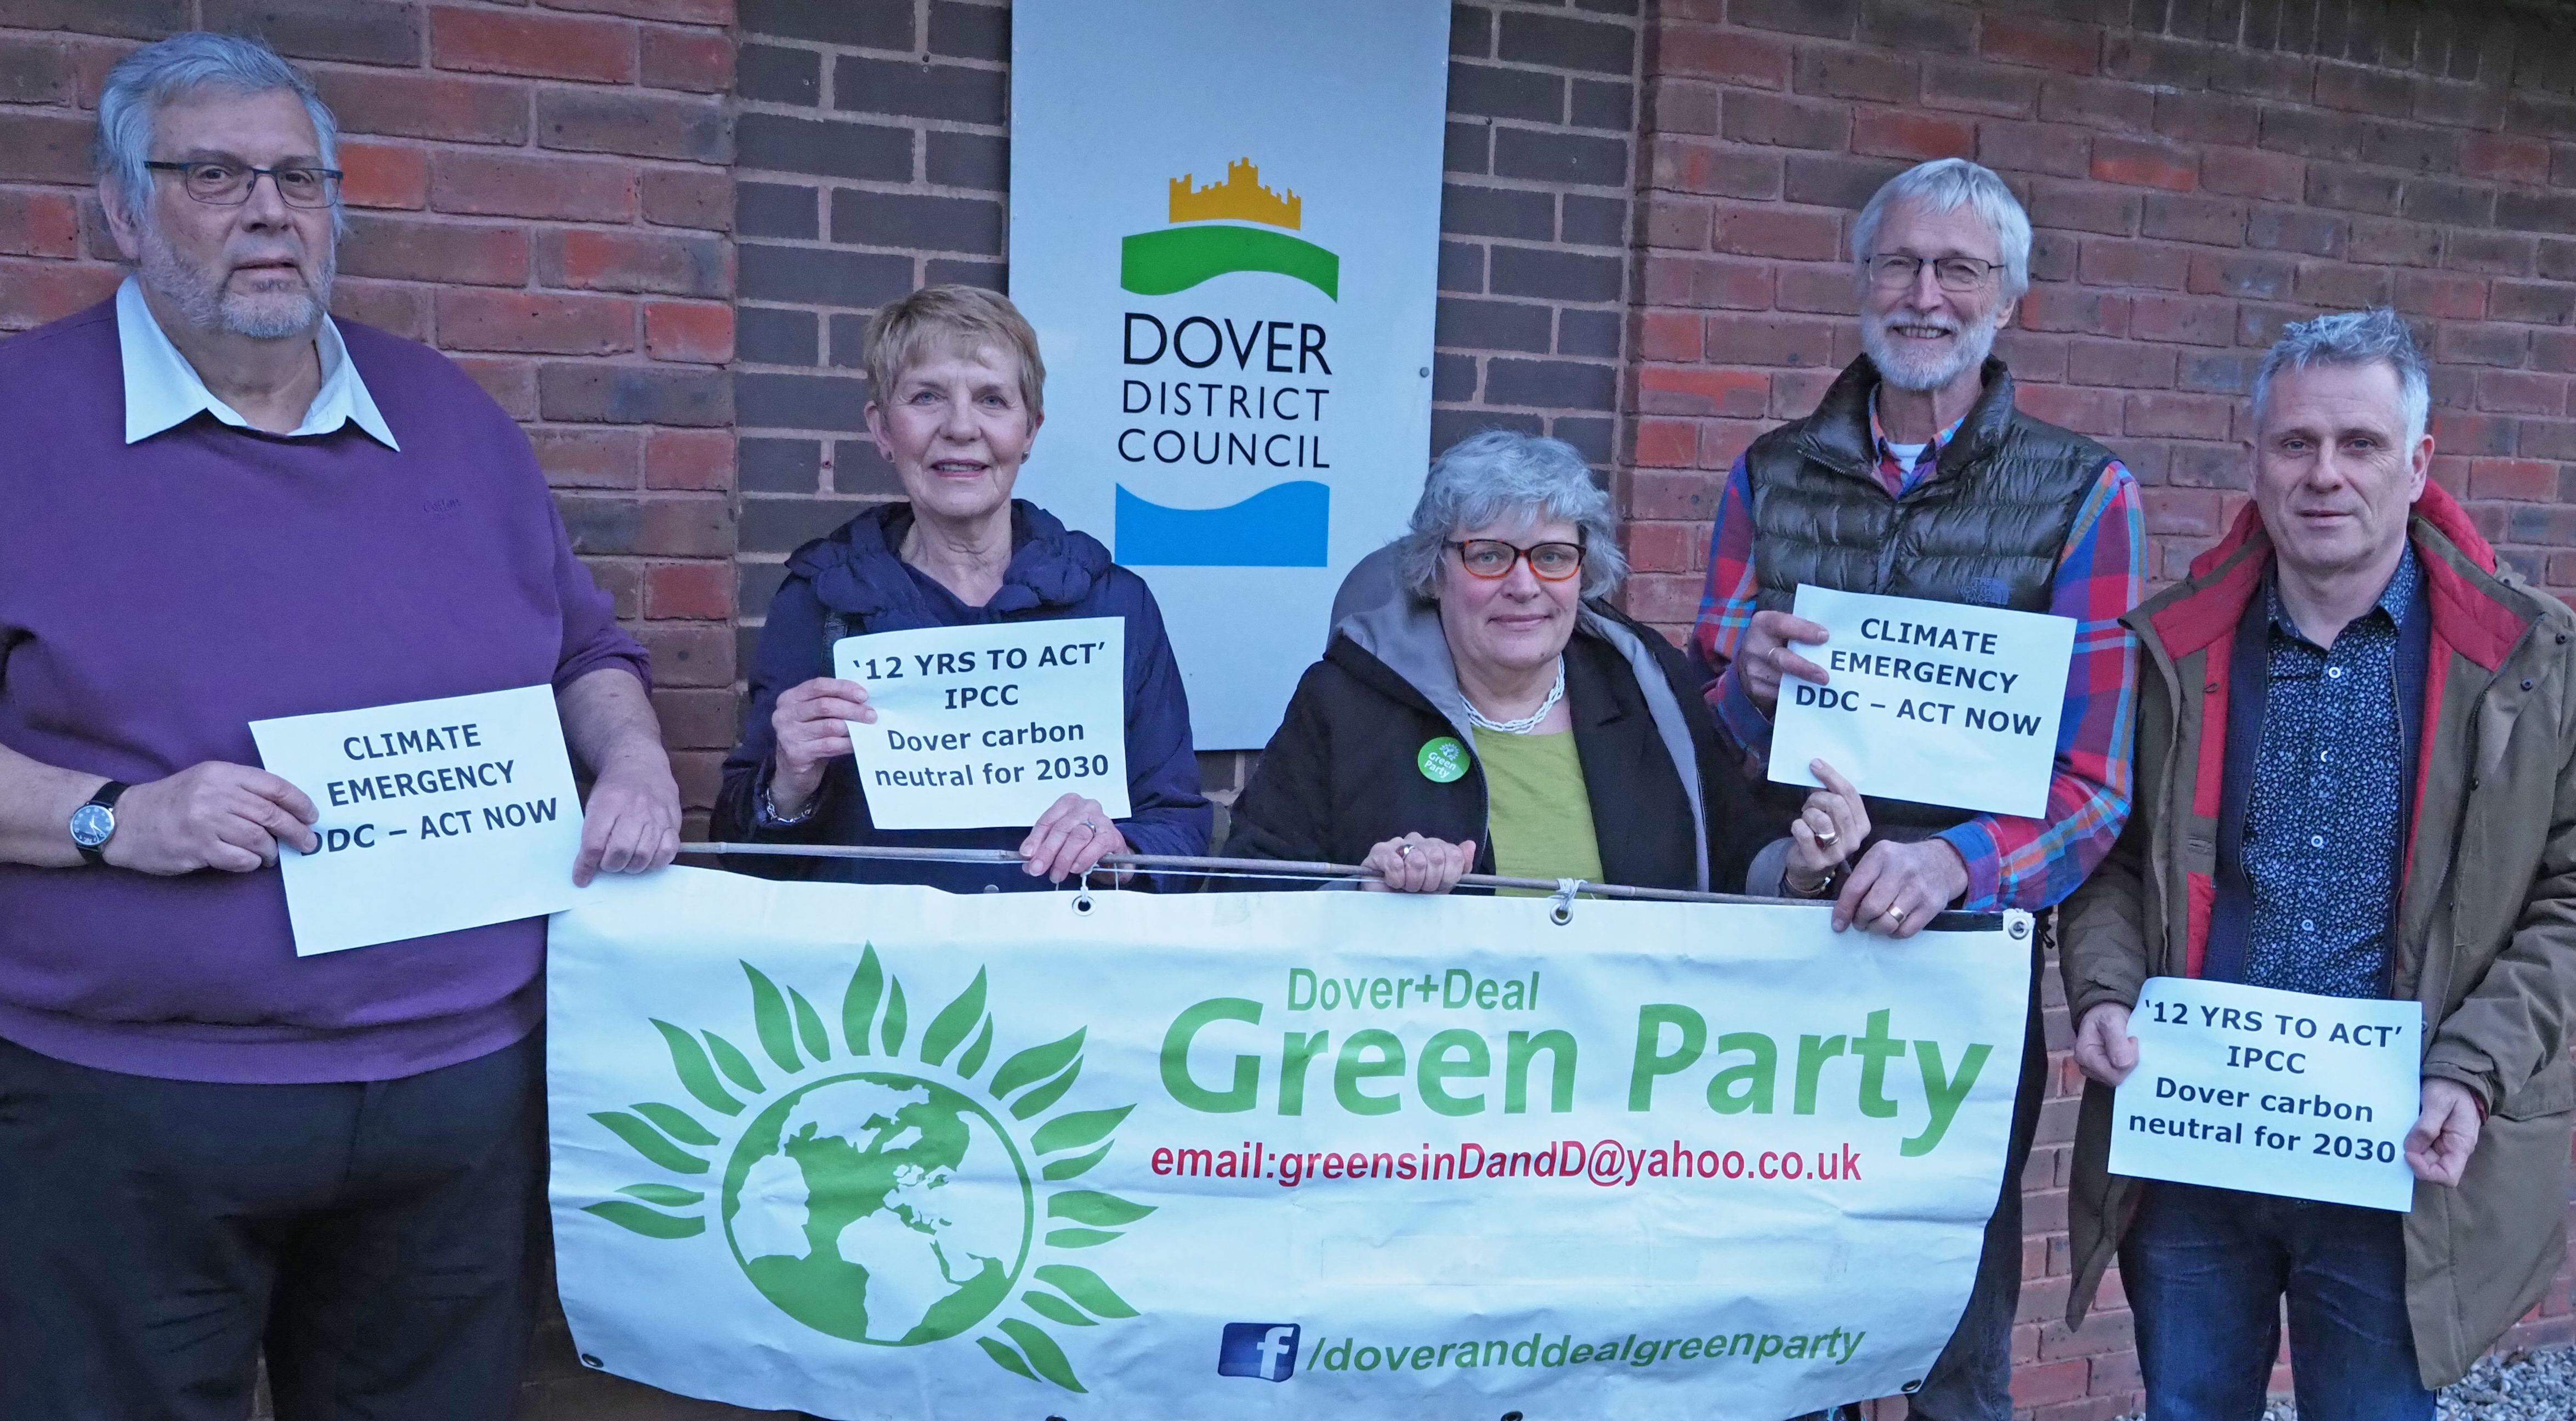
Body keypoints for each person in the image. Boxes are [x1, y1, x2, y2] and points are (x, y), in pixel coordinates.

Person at [0, 33, 680, 1421]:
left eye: (299, 178)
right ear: (122, 212)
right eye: (216, 174)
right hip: (127, 1111)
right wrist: (111, 818)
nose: (268, 211)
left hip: (453, 1106)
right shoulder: (21, 425)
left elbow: (584, 649)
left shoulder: (450, 419)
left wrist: (635, 753)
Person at [1687, 157, 2147, 1421]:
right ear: (1858, 282)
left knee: (1950, 1318)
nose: (1923, 294)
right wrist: (1744, 685)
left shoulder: (2083, 494)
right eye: (1897, 263)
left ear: (2011, 302)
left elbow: (2100, 784)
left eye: (1959, 269)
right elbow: (1704, 741)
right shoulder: (1765, 474)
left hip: (1962, 966)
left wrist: (1958, 862)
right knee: (1767, 1290)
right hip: (1780, 950)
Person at [2059, 309, 2576, 1418]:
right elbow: (2108, 859)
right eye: (2295, 444)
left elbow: (2569, 902)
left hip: (2396, 1154)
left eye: (2360, 444)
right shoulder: (2173, 648)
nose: (2324, 475)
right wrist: (2103, 992)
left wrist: (2472, 1069)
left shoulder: (2533, 664)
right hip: (2197, 1143)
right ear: (2256, 459)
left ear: (2419, 463)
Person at [716, 285, 1210, 889]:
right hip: (877, 975)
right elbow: (743, 858)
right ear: (882, 429)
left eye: (992, 400)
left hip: (1060, 970)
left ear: (1030, 429)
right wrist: (788, 783)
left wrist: (1123, 850)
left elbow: (1180, 826)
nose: (960, 427)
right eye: (926, 397)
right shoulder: (819, 604)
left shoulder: (1112, 603)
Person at [1227, 429, 1806, 898]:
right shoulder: (1344, 702)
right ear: (1435, 571)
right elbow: (1244, 885)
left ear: (1584, 571)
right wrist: (1360, 894)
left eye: (1553, 556)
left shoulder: (1647, 685)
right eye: (1489, 556)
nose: (1525, 585)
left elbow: (1739, 856)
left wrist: (1802, 870)